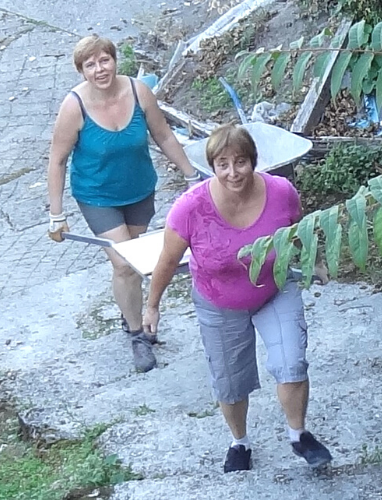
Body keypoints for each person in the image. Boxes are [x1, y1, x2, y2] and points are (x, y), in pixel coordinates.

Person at [143, 124, 331, 473]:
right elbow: (168, 260)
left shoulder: (281, 191)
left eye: (241, 162)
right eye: (224, 164)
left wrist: (314, 261)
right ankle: (239, 441)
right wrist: (152, 305)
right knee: (231, 382)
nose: (233, 172)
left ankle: (298, 435)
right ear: (212, 167)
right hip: (219, 300)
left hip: (274, 289)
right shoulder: (191, 208)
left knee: (292, 362)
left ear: (253, 162)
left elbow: (298, 229)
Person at [46, 34, 203, 372]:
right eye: (90, 65)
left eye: (105, 60)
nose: (99, 69)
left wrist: (191, 175)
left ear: (115, 61)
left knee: (134, 261)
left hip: (140, 191)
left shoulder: (138, 91)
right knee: (124, 263)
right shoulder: (74, 106)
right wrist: (56, 214)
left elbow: (162, 135)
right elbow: (57, 160)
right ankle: (137, 335)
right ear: (81, 71)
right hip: (97, 196)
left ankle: (128, 309)